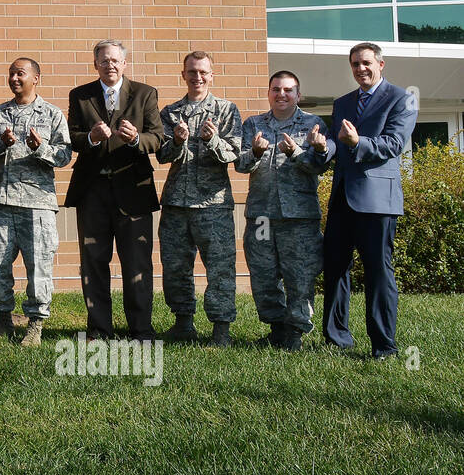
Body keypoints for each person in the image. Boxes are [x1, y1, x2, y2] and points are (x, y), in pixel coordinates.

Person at [321, 42, 416, 359]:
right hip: (342, 198)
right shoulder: (342, 103)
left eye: (365, 63)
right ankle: (337, 338)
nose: (360, 69)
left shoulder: (402, 98)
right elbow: (337, 144)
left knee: (378, 272)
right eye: (354, 64)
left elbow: (394, 143)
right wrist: (324, 147)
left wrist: (358, 141)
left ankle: (383, 345)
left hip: (377, 201)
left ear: (380, 64)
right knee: (335, 268)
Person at [65, 39, 162, 340]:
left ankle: (141, 330)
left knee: (137, 264)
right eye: (104, 60)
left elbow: (157, 138)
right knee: (93, 262)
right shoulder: (80, 96)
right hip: (92, 192)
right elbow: (70, 137)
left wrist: (136, 140)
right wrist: (91, 138)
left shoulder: (145, 94)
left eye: (115, 60)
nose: (110, 65)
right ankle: (99, 329)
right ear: (95, 64)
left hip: (133, 190)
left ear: (124, 63)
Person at [235, 70, 335, 351]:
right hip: (262, 216)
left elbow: (320, 166)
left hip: (299, 217)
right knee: (263, 274)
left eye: (288, 90)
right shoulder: (253, 124)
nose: (282, 94)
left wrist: (297, 153)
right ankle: (276, 328)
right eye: (276, 89)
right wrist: (254, 152)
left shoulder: (313, 124)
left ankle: (295, 332)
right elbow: (240, 165)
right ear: (268, 93)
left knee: (299, 276)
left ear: (298, 95)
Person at [0, 57, 72, 347]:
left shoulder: (53, 114)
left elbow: (64, 156)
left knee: (39, 267)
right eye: (11, 74)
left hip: (38, 204)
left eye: (20, 73)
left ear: (36, 78)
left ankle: (35, 325)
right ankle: (4, 320)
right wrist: (2, 143)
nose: (14, 78)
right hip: (1, 203)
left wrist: (40, 147)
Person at [155, 51, 243, 346]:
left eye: (203, 72)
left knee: (220, 266)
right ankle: (183, 323)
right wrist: (178, 141)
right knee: (176, 266)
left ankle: (221, 329)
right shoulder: (171, 112)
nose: (198, 77)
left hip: (213, 203)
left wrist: (212, 140)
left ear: (212, 75)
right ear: (184, 75)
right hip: (177, 203)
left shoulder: (226, 110)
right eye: (192, 72)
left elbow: (234, 154)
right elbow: (162, 154)